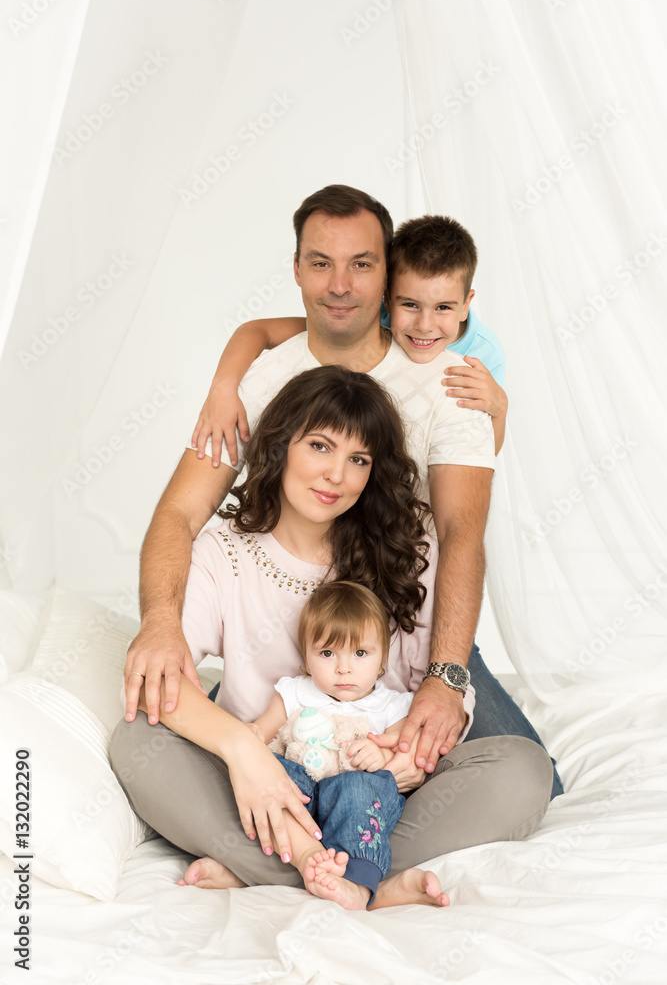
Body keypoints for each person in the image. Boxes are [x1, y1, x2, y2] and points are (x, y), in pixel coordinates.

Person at [122, 183, 562, 803]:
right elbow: (178, 511)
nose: (340, 285)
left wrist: (445, 673)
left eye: (362, 264)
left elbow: (462, 534)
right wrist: (162, 622)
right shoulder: (263, 380)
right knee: (162, 737)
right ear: (297, 269)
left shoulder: (452, 383)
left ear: (388, 276)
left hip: (408, 628)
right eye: (321, 263)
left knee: (541, 784)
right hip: (285, 637)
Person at [110, 366, 553, 906]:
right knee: (136, 742)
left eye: (358, 460)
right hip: (263, 785)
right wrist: (244, 755)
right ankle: (364, 883)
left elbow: (440, 700)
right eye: (320, 446)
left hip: (378, 798)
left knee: (523, 769)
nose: (336, 475)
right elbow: (163, 684)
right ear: (280, 446)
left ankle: (286, 872)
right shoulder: (222, 552)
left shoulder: (409, 553)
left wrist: (410, 756)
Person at [194, 579, 474, 910]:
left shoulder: (393, 706)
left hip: (354, 799)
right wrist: (246, 741)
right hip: (301, 797)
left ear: (382, 660)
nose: (344, 668)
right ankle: (267, 865)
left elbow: (403, 754)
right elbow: (257, 734)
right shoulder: (294, 692)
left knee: (362, 788)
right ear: (307, 659)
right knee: (272, 772)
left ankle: (355, 882)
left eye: (360, 653)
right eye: (327, 653)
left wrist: (382, 753)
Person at [192, 213, 508, 464]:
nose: (425, 326)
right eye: (409, 304)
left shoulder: (482, 354)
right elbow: (256, 331)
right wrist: (223, 387)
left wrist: (500, 407)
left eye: (443, 308)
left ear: (466, 304)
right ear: (386, 296)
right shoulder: (376, 322)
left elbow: (479, 455)